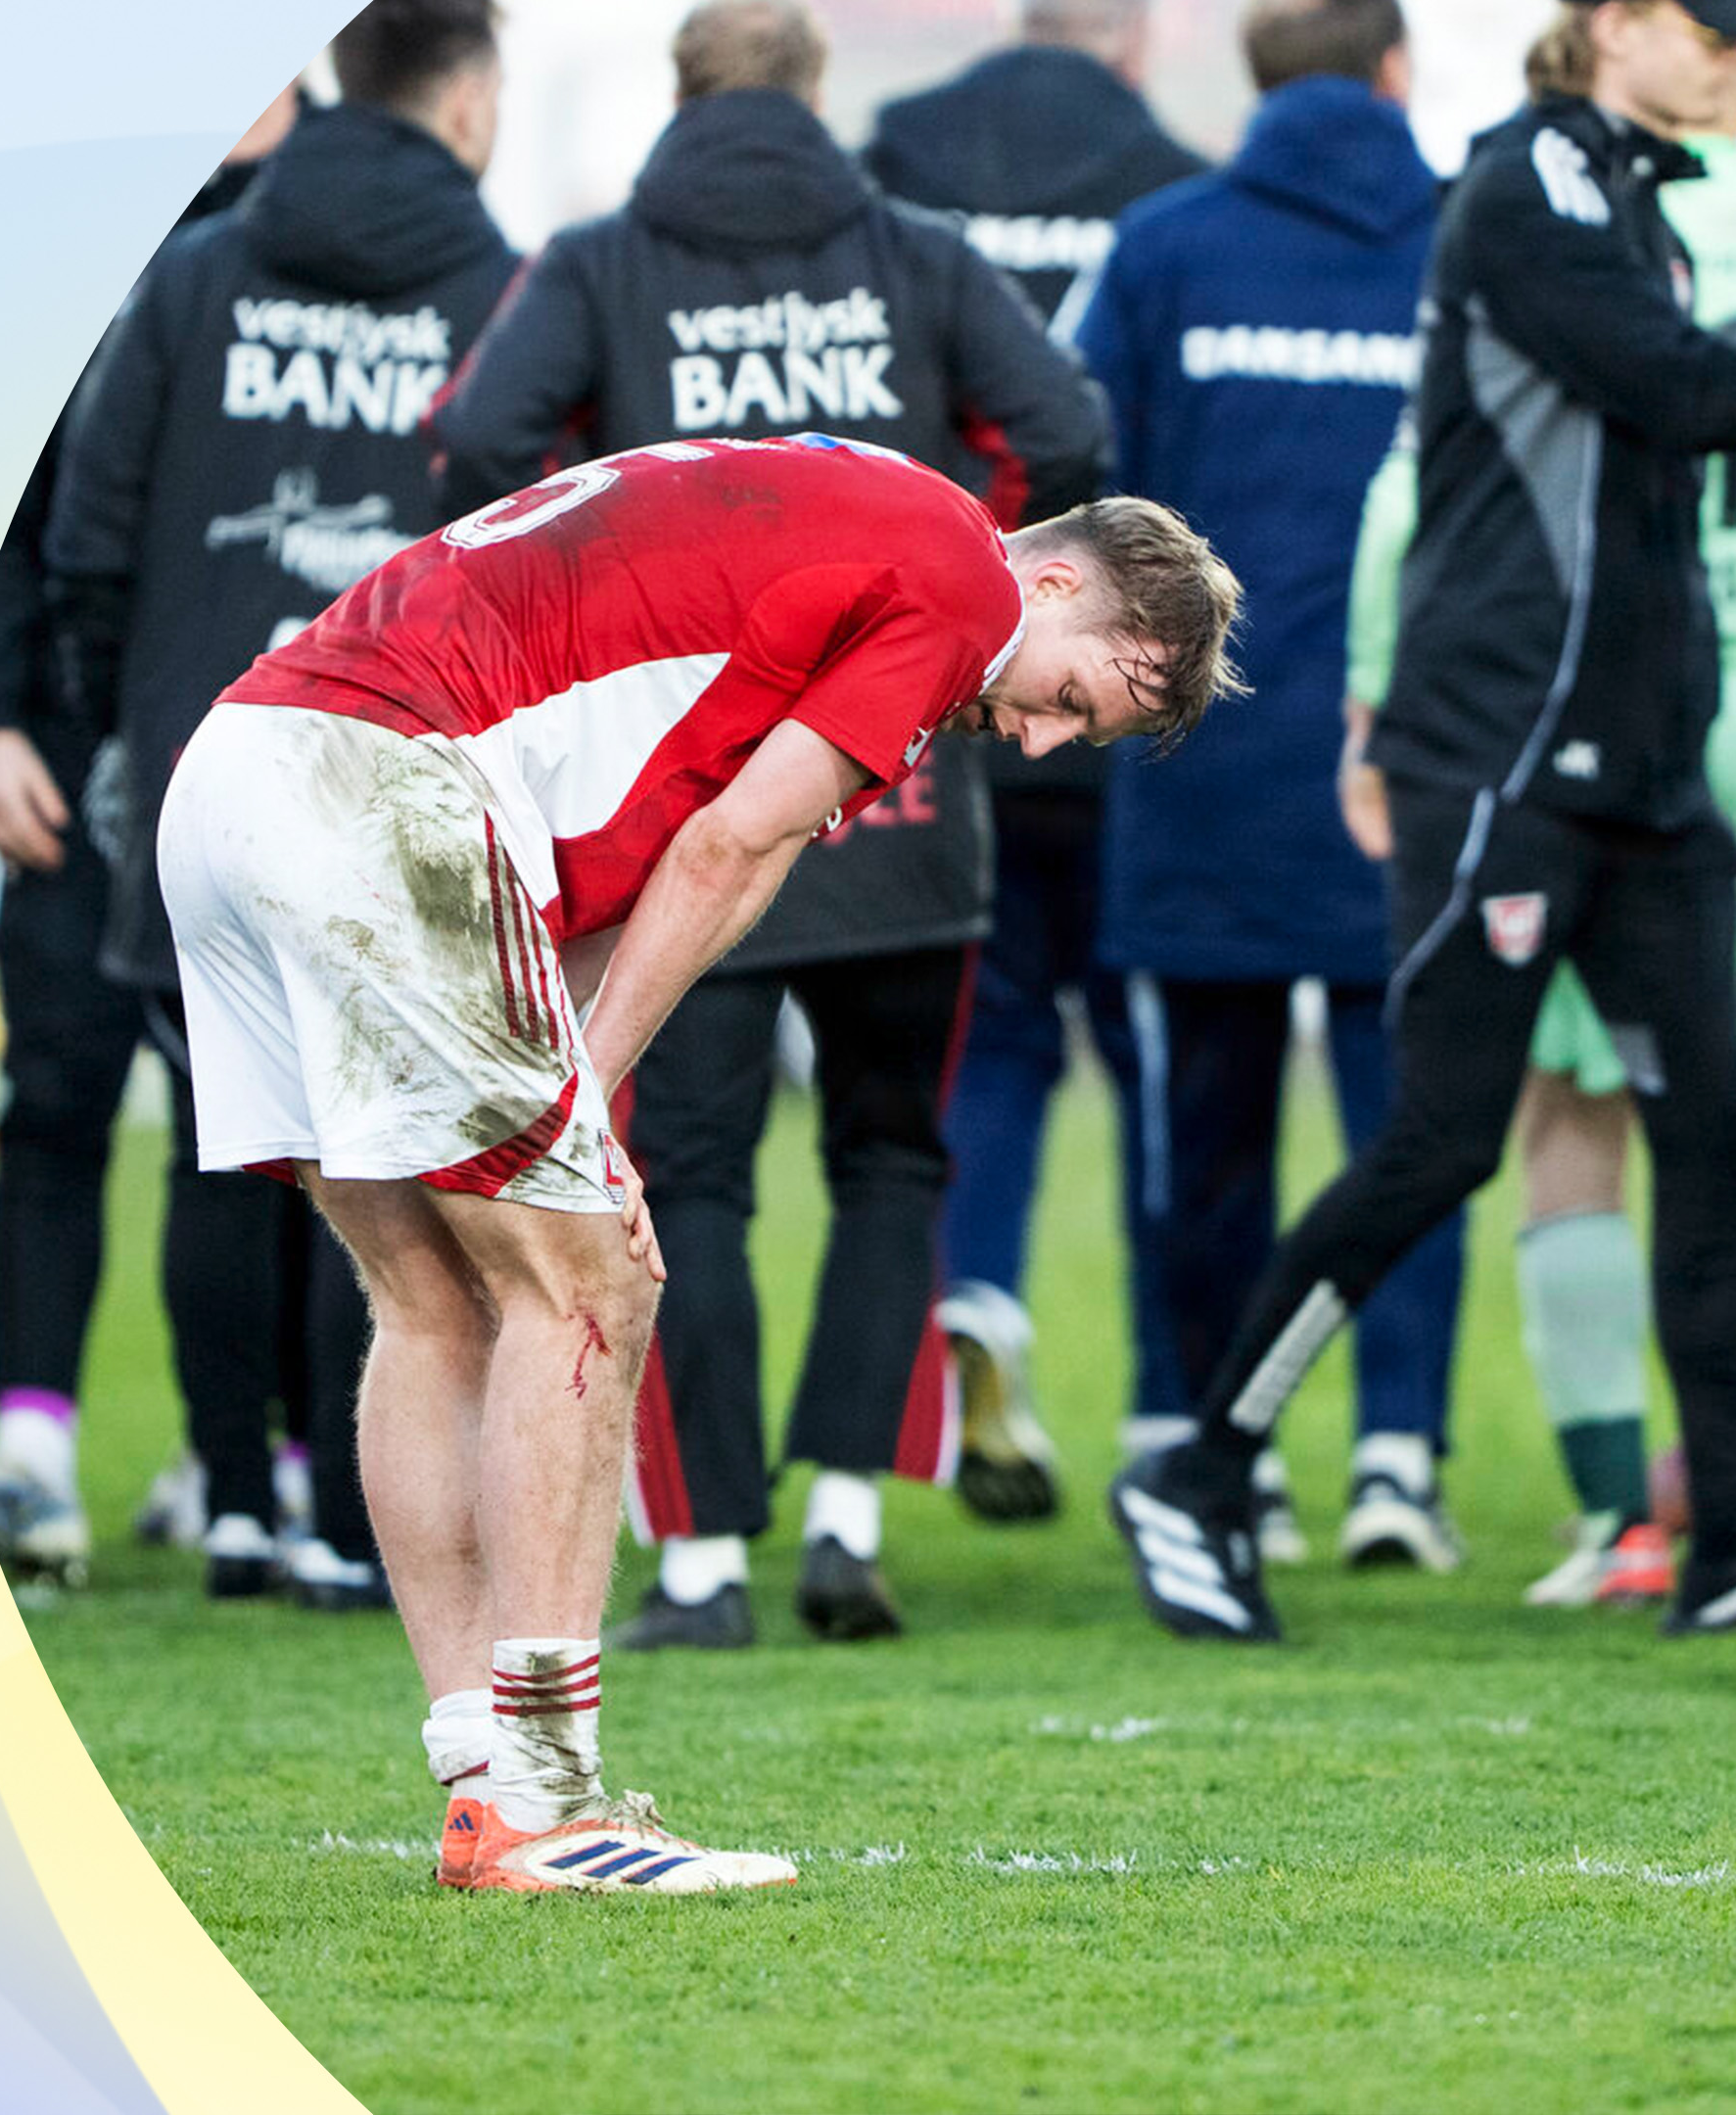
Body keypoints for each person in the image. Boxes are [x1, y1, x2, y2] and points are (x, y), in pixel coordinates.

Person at [160, 434, 1243, 1890]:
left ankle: (483, 1783)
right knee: (588, 1283)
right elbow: (734, 847)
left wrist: (570, 1086)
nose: (1041, 741)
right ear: (1051, 587)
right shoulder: (964, 587)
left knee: (434, 1303)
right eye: (1071, 700)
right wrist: (589, 1098)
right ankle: (549, 1803)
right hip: (383, 781)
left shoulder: (861, 512)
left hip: (243, 764)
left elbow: (616, 851)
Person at [432, 0, 1108, 1648]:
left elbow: (484, 440)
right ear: (813, 91)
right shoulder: (921, 255)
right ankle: (850, 1527)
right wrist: (953, 592)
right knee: (892, 1159)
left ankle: (703, 1564)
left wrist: (600, 597)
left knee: (689, 1172)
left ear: (684, 93)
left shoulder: (600, 263)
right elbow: (1068, 431)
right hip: (903, 783)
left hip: (698, 779)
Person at [1110, 0, 1736, 1644]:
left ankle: (1723, 1552)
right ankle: (1204, 1471)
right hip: (1504, 763)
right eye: (1712, 27)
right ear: (1615, 24)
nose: (1731, 56)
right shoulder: (1525, 185)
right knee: (1444, 1141)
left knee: (1715, 1140)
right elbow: (1684, 390)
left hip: (1649, 776)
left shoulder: (1645, 193)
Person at [43, 0, 518, 1606]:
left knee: (222, 1137)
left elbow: (90, 531)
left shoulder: (193, 275)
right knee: (378, 1156)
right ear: (468, 103)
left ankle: (238, 1503)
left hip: (203, 769)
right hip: (400, 775)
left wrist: (131, 722)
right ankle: (339, 1512)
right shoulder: (501, 289)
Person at [1336, 24, 1736, 1608]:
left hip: (1595, 706)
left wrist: (1378, 703)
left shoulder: (1570, 193)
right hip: (1664, 690)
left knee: (1571, 1116)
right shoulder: (1641, 188)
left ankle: (1621, 1513)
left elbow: (1417, 489)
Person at [1073, 0, 1467, 1574]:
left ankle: (1213, 1452)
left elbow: (1073, 473)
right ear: (1396, 70)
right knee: (1413, 1138)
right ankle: (1397, 1459)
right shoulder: (1467, 238)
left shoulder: (1164, 248)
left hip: (1202, 772)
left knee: (1208, 1151)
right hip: (1415, 767)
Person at [865, 0, 1209, 1517]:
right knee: (1153, 1060)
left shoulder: (898, 167)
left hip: (957, 692)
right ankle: (1167, 1402)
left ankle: (982, 1300)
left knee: (989, 1036)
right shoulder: (1175, 187)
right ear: (1134, 39)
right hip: (1123, 700)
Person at [0, 84, 303, 1588]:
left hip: (259, 762)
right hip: (72, 764)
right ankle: (32, 1449)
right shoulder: (70, 229)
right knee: (57, 1097)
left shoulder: (342, 217)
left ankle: (244, 1452)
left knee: (259, 1125)